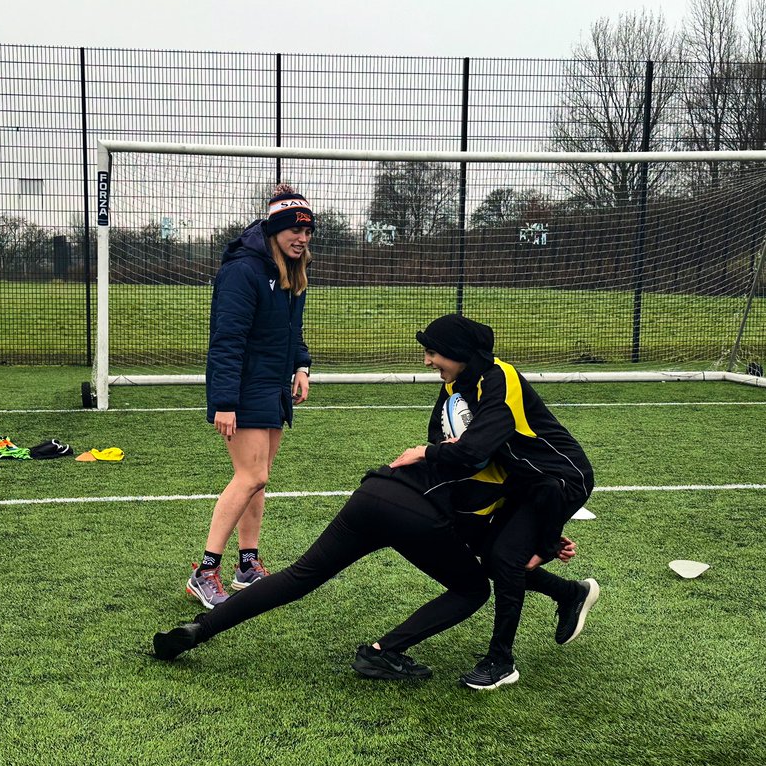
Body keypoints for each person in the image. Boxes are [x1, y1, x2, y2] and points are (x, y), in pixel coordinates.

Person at [154, 458, 580, 681]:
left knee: (300, 577)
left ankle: (200, 630)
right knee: (471, 590)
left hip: (374, 492)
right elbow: (498, 549)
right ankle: (384, 653)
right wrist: (543, 542)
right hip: (416, 516)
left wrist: (543, 543)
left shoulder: (467, 437)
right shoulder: (525, 475)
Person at [388, 313, 598, 690]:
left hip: (560, 481)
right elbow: (440, 430)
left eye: (433, 352)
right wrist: (441, 445)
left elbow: (474, 450)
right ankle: (571, 594)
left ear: (458, 352)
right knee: (491, 556)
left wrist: (548, 539)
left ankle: (501, 661)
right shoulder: (456, 383)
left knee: (505, 558)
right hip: (519, 482)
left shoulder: (501, 378)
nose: (427, 361)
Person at [186, 184, 315, 610]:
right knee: (250, 477)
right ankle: (204, 571)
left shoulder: (292, 271)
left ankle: (248, 564)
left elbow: (292, 330)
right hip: (243, 389)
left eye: (308, 232)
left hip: (273, 386)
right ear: (275, 230)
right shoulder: (242, 270)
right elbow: (227, 339)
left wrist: (301, 365)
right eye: (295, 231)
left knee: (260, 478)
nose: (302, 238)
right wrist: (225, 401)